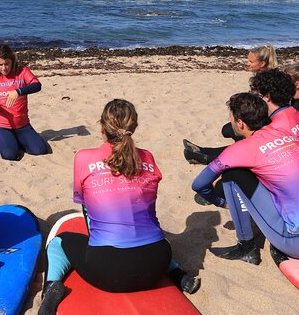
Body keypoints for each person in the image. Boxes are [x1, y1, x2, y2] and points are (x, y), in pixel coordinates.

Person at [39, 99, 199, 315]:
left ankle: (50, 290)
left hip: (110, 271)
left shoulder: (84, 158)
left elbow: (85, 204)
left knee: (60, 241)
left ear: (101, 128)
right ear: (134, 128)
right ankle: (178, 274)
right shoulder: (148, 157)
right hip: (157, 261)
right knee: (150, 234)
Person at [191, 70, 299, 266]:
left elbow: (199, 184)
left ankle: (246, 247)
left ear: (240, 123)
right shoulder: (285, 132)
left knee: (233, 176)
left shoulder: (239, 149)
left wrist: (220, 202)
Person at [183, 44, 278, 163]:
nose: (247, 63)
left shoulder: (267, 82)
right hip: (259, 117)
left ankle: (207, 157)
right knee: (228, 130)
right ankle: (204, 151)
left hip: (263, 122)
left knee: (232, 131)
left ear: (262, 64)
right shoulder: (265, 77)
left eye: (251, 61)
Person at [0, 44, 49, 160]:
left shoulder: (22, 72)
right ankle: (10, 142)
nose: (4, 68)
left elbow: (37, 85)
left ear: (12, 61)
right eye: (0, 64)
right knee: (10, 155)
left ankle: (17, 140)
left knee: (41, 150)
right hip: (2, 127)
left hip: (23, 126)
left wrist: (18, 91)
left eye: (6, 64)